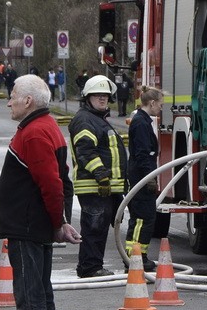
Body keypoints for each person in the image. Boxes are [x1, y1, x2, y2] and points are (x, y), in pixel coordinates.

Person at [0, 75, 81, 310]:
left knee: (30, 298)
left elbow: (52, 183)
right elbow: (61, 180)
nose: (9, 101)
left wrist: (58, 223)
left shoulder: (33, 133)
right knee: (42, 297)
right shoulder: (47, 128)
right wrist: (58, 221)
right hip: (36, 225)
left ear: (28, 101)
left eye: (13, 95)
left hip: (27, 227)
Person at [68, 74, 127, 277]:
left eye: (105, 95)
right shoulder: (85, 121)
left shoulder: (97, 120)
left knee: (103, 227)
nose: (102, 99)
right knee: (94, 228)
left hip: (106, 186)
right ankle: (90, 267)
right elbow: (85, 151)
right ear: (87, 98)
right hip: (95, 185)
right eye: (97, 95)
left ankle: (97, 265)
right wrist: (101, 174)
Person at [125, 87, 164, 271]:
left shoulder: (142, 120)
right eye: (161, 105)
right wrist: (149, 178)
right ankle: (137, 257)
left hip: (140, 175)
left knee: (141, 218)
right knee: (143, 218)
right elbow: (142, 154)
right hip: (141, 177)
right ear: (152, 103)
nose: (161, 109)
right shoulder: (141, 123)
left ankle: (135, 257)